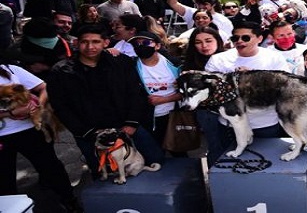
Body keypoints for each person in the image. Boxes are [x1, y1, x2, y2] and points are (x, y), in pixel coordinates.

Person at [46, 24, 163, 177]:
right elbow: (60, 105)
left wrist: (132, 122)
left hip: (125, 125)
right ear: (76, 43)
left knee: (155, 160)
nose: (90, 47)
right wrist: (86, 132)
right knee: (102, 174)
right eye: (84, 42)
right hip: (89, 132)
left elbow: (135, 93)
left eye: (95, 42)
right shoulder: (61, 71)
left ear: (106, 43)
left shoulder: (121, 63)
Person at [0, 59, 82, 212]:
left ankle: (69, 200)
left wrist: (37, 106)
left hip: (29, 129)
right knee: (4, 180)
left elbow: (44, 87)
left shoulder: (10, 70)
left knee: (51, 168)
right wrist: (9, 113)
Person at [205, 21, 288, 138]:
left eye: (245, 38)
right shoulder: (218, 59)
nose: (239, 41)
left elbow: (284, 89)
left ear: (259, 39)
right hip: (230, 124)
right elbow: (209, 92)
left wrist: (254, 79)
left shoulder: (274, 58)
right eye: (235, 38)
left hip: (265, 124)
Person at [130, 31, 184, 156]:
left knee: (180, 154)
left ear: (158, 46)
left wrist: (164, 100)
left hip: (173, 116)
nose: (140, 46)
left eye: (146, 42)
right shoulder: (130, 66)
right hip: (147, 119)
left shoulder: (175, 64)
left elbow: (188, 92)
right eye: (136, 44)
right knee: (154, 156)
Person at [181, 27, 229, 165]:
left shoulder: (230, 59)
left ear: (218, 41)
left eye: (208, 40)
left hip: (232, 110)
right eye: (198, 42)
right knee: (216, 146)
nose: (204, 46)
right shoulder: (188, 66)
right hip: (207, 113)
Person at [167, 0, 233, 36]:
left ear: (214, 5)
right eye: (198, 4)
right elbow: (172, 3)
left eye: (205, 4)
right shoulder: (191, 12)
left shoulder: (224, 20)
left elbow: (228, 38)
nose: (201, 7)